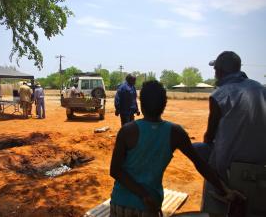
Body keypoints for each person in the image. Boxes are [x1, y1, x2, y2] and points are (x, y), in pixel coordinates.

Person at [110, 80, 244, 217]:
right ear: (165, 104)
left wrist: (143, 195)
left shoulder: (127, 131)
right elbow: (200, 163)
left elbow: (115, 171)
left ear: (141, 103)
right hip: (149, 208)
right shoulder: (175, 132)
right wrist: (226, 190)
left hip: (120, 203)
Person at [194, 51, 266, 216]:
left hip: (228, 168)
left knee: (196, 149)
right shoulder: (261, 89)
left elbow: (209, 137)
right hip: (259, 167)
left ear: (219, 71)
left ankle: (220, 193)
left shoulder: (219, 95)